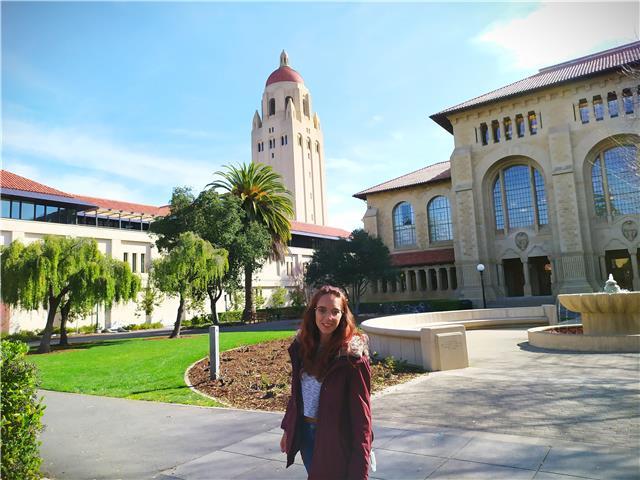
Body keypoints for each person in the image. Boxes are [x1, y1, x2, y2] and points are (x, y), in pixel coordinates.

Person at [279, 285, 373, 479]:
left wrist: (361, 466)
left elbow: (362, 419)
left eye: (335, 312)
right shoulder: (302, 348)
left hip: (334, 439)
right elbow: (296, 394)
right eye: (322, 310)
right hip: (305, 433)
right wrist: (289, 428)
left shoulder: (352, 359)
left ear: (343, 315)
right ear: (313, 311)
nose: (327, 318)